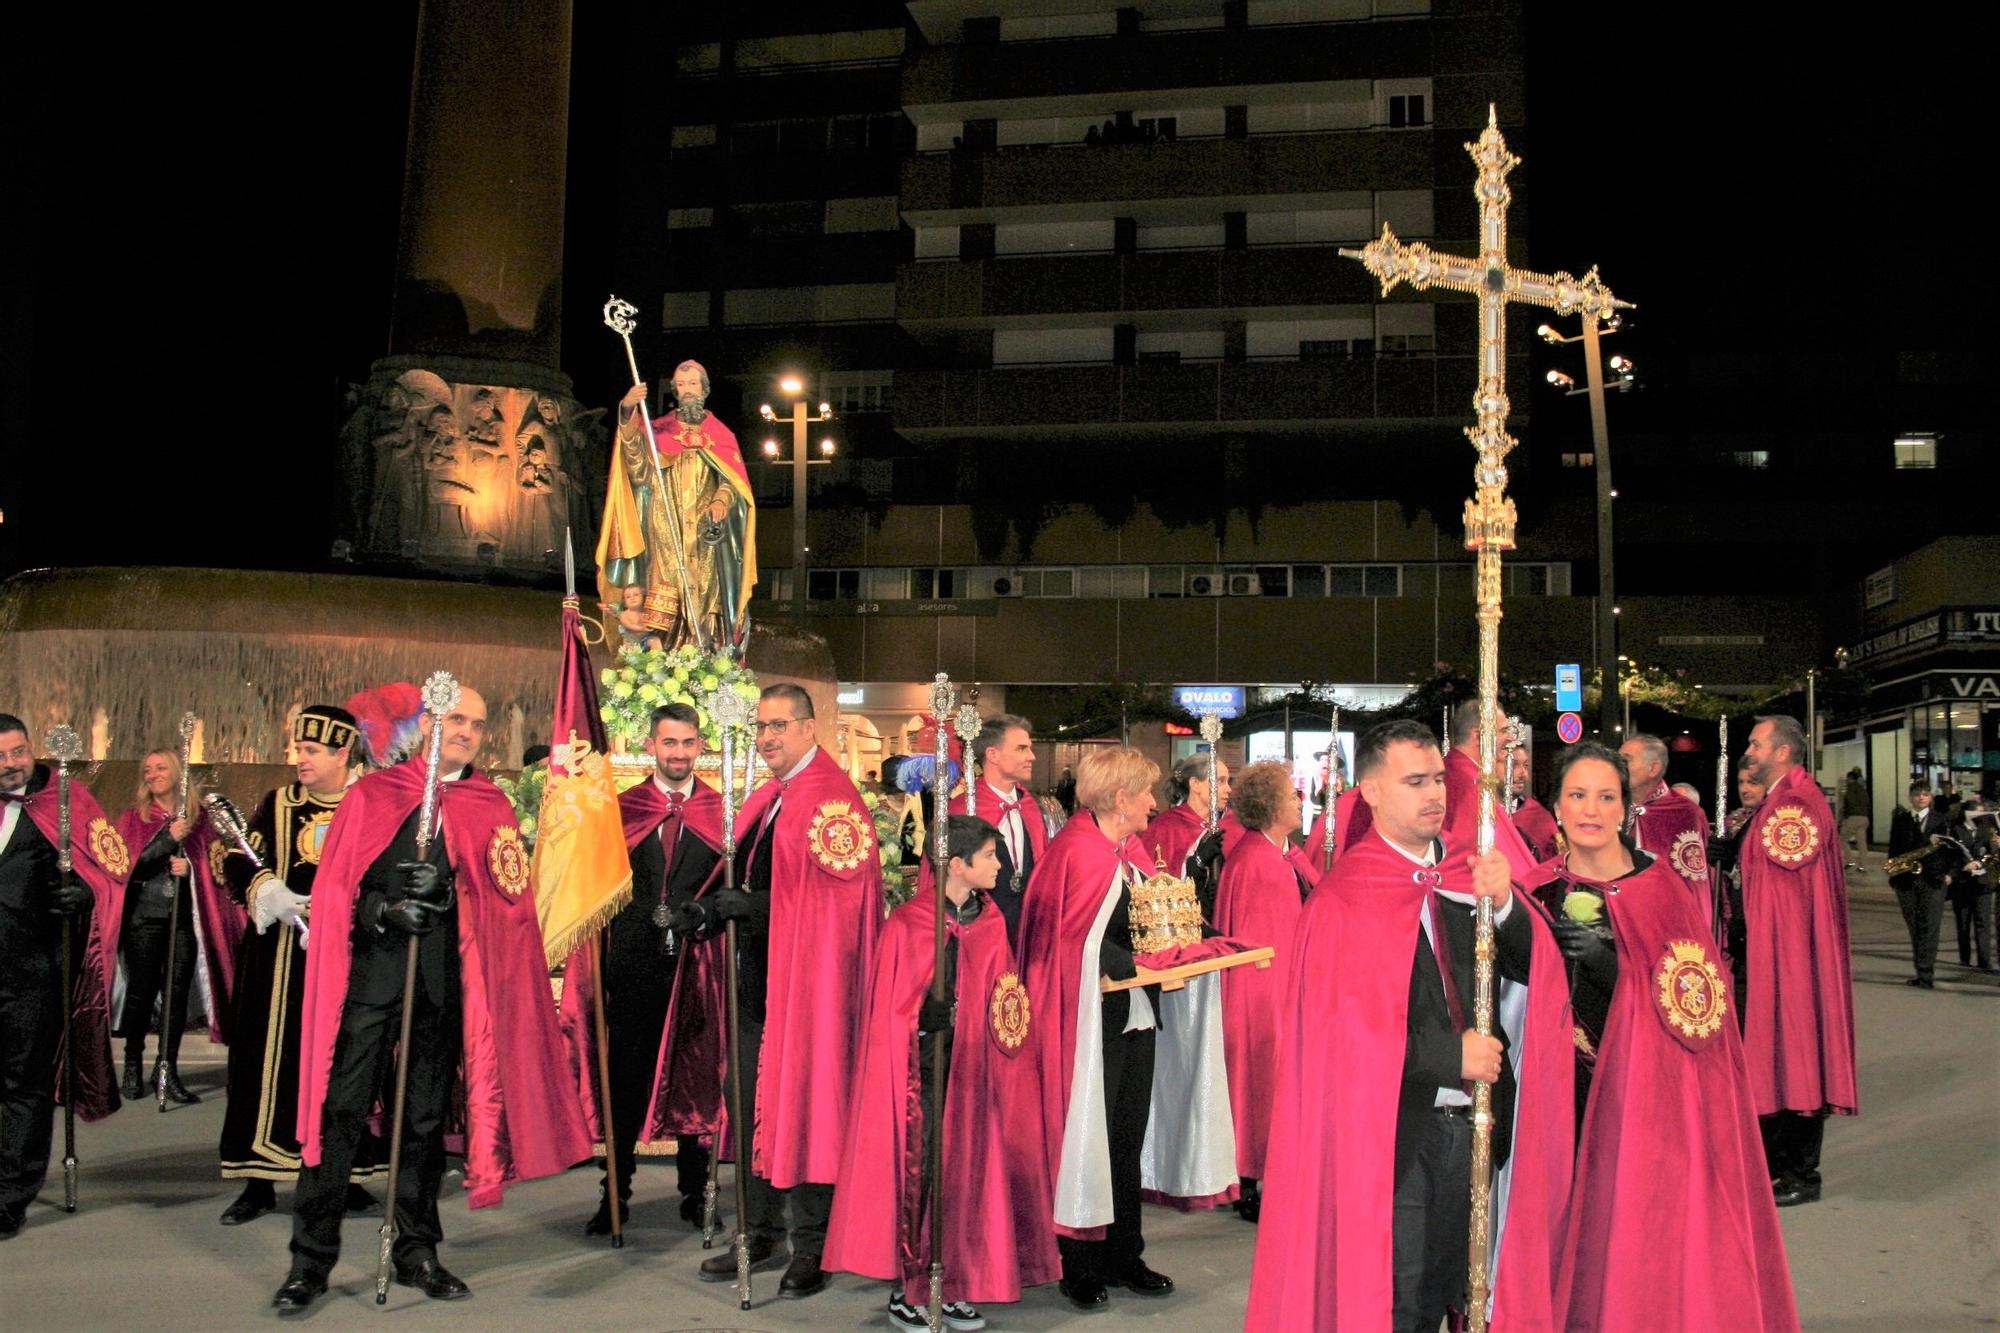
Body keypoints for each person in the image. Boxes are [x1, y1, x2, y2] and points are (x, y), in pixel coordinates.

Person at [1246, 720, 1572, 1331]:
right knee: (1402, 1302)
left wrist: (1504, 905)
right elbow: (1338, 1034)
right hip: (1394, 1137)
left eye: (1439, 780)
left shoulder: (1468, 872)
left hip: (1480, 1125)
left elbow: (1535, 969)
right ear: (1369, 791)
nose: (1434, 795)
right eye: (1414, 782)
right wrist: (1453, 1058)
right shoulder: (1344, 898)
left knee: (1462, 1292)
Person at [273, 686, 590, 1313]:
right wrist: (389, 907)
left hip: (443, 984)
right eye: (455, 719)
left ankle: (417, 1250)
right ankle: (311, 1260)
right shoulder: (373, 795)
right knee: (341, 1114)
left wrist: (450, 894)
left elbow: (504, 902)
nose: (468, 731)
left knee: (422, 1122)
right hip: (371, 983)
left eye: (477, 722)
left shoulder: (488, 804)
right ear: (427, 726)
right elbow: (339, 896)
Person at [1529, 744, 1798, 1331]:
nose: (1590, 810)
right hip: (1559, 1098)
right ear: (1556, 806)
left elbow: (1701, 1011)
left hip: (1644, 1102)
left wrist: (1615, 965)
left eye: (1606, 797)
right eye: (1577, 795)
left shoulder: (1660, 888)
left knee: (1633, 1239)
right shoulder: (1535, 891)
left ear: (1628, 808)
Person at [686, 683, 882, 1299]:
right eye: (761, 727)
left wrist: (759, 905)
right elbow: (740, 874)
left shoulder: (831, 801)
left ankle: (814, 1246)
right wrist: (711, 911)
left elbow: (840, 905)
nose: (766, 738)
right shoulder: (772, 796)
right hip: (758, 981)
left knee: (809, 1106)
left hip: (809, 990)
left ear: (807, 728)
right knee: (748, 1108)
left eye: (778, 726)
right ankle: (758, 1231)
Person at [824, 815, 1058, 1330]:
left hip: (976, 1075)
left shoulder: (992, 921)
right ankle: (910, 1288)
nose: (1000, 866)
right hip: (924, 1074)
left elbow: (1006, 1001)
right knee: (922, 1177)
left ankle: (954, 1281)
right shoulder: (909, 923)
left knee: (966, 1176)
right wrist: (915, 1019)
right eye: (991, 856)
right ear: (957, 864)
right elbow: (885, 1014)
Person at [1017, 745, 1175, 1312]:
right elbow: (1058, 935)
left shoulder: (1128, 851)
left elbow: (1148, 921)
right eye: (1146, 793)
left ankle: (1123, 1254)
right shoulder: (1077, 853)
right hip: (1087, 1021)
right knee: (1086, 1138)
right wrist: (1117, 958)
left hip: (1133, 1014)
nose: (1154, 804)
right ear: (1120, 798)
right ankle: (1077, 1263)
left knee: (1126, 1140)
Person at [216, 705, 383, 1226]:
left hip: (348, 954)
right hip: (279, 959)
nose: (300, 760)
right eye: (298, 750)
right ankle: (257, 1179)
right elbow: (242, 858)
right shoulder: (279, 804)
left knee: (344, 1065)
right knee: (266, 1063)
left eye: (311, 751)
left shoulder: (369, 803)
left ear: (342, 754)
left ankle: (347, 1175)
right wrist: (267, 888)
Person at [561, 702, 724, 1235]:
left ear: (701, 746)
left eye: (688, 743)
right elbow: (597, 890)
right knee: (626, 1084)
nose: (678, 753)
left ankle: (696, 1194)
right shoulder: (621, 809)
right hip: (631, 969)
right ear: (651, 745)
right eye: (669, 743)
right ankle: (615, 1195)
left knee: (694, 1081)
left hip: (698, 969)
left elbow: (729, 893)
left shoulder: (721, 812)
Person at [0, 714, 128, 1239]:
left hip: (32, 973)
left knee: (22, 1085)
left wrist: (86, 896)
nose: (9, 764)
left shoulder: (68, 800)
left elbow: (112, 868)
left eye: (17, 752)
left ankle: (10, 1195)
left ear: (32, 751)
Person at [1734, 715, 1858, 1208]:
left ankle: (1801, 1174)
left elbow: (1789, 897)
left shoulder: (1796, 805)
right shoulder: (1780, 802)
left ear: (1782, 752)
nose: (1749, 751)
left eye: (1756, 744)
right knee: (1780, 1054)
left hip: (1790, 956)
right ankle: (1782, 1168)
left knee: (1798, 1053)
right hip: (1773, 953)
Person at [596, 359, 757, 652]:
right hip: (665, 525)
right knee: (666, 588)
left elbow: (734, 482)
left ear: (705, 389)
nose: (687, 391)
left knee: (708, 593)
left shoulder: (721, 436)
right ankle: (662, 656)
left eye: (693, 384)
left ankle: (705, 655)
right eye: (681, 385)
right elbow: (636, 467)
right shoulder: (659, 431)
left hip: (707, 532)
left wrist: (722, 499)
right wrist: (628, 410)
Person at [1212, 760, 1311, 1224]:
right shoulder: (1261, 862)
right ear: (1271, 806)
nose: (1299, 800)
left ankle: (1253, 1178)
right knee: (1257, 1085)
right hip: (1262, 994)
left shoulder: (1268, 853)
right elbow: (1264, 946)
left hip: (1265, 989)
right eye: (1292, 794)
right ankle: (1251, 1182)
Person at [113, 747, 235, 1105]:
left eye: (160, 767)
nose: (152, 774)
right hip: (146, 917)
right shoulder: (134, 819)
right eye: (147, 769)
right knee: (142, 993)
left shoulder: (201, 820)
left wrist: (191, 870)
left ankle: (167, 1070)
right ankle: (133, 1064)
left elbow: (217, 867)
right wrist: (168, 839)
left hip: (184, 919)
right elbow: (125, 865)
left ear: (177, 773)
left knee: (176, 997)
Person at [953, 714, 1049, 947]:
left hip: (1029, 931)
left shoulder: (1032, 807)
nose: (1031, 757)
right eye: (1021, 749)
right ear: (992, 755)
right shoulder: (962, 810)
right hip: (980, 932)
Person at [1444, 700, 1537, 881]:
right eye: (1503, 731)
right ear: (1479, 737)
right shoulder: (1467, 783)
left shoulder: (1461, 773)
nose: (1510, 738)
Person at [1620, 733, 1716, 899]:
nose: (1617, 766)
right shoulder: (1610, 807)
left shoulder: (1686, 814)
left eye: (1626, 760)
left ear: (1653, 768)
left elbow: (1695, 885)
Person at [1887, 781, 1953, 988]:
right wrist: (1894, 878)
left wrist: (1949, 874)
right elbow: (1893, 850)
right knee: (1915, 927)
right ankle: (1920, 970)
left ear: (1931, 798)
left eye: (1925, 794)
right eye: (1917, 795)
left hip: (1933, 881)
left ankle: (1926, 974)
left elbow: (1952, 851)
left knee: (1929, 927)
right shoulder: (1901, 820)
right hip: (1906, 881)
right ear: (1911, 798)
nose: (1921, 798)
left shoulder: (1942, 821)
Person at [1944, 797, 1994, 973]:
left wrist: (1979, 864)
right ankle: (1964, 958)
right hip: (1962, 884)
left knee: (1983, 923)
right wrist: (1953, 873)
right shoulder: (1956, 830)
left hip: (1983, 884)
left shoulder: (1987, 831)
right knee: (1963, 923)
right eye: (1975, 813)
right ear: (1966, 814)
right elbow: (1952, 857)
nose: (1978, 816)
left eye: (1981, 813)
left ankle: (1984, 961)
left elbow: (1992, 855)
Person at [1838, 767, 1871, 868]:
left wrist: (1843, 819)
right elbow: (1868, 803)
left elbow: (1849, 804)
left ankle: (1850, 861)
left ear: (1849, 778)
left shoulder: (1850, 789)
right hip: (1864, 818)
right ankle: (1863, 865)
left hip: (1853, 818)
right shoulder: (1863, 789)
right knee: (1862, 843)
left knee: (1842, 840)